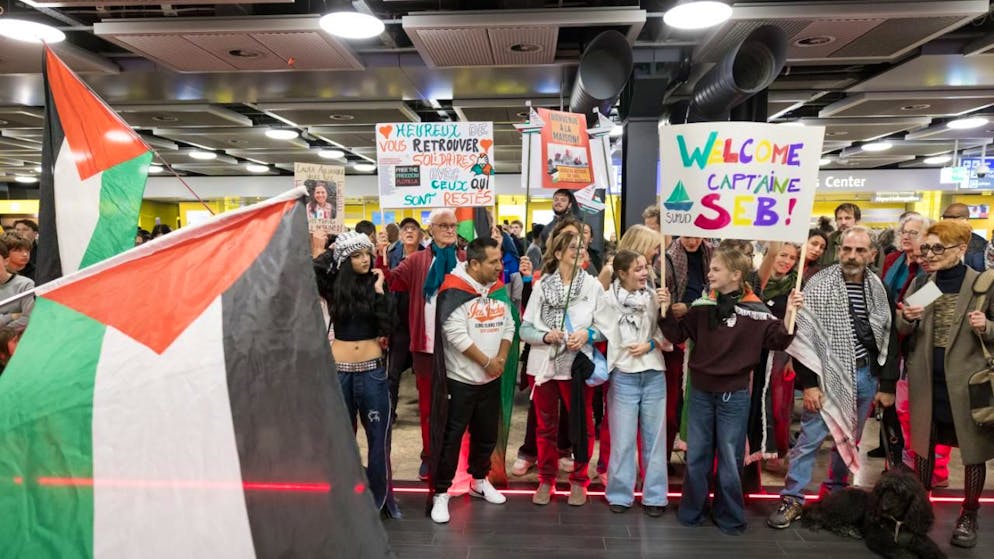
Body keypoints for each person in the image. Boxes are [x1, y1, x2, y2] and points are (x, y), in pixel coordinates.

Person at [660, 247, 802, 535]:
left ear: (736, 275)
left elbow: (779, 340)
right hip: (701, 392)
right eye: (710, 269)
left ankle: (730, 515)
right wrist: (663, 311)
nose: (709, 273)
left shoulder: (756, 312)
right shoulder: (701, 306)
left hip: (734, 395)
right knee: (698, 455)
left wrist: (790, 313)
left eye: (715, 269)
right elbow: (676, 335)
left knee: (729, 457)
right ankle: (692, 511)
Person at [769, 226, 898, 530]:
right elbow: (804, 339)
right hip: (825, 375)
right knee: (810, 439)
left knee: (848, 440)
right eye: (847, 249)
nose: (852, 256)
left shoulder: (879, 288)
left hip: (865, 374)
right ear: (839, 250)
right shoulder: (818, 284)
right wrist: (810, 383)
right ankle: (793, 498)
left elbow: (889, 337)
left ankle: (836, 497)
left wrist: (888, 384)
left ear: (871, 254)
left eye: (859, 250)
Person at [898, 220, 994, 548]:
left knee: (972, 452)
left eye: (938, 248)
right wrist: (906, 319)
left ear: (961, 249)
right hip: (927, 381)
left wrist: (988, 327)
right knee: (924, 446)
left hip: (967, 383)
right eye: (927, 248)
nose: (930, 255)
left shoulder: (982, 284)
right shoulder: (927, 283)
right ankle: (920, 511)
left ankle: (969, 514)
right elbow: (903, 323)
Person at [428, 237, 516, 524]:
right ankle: (441, 493)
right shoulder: (454, 289)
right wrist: (488, 362)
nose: (499, 267)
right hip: (460, 381)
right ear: (474, 263)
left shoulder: (498, 289)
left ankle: (480, 480)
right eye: (493, 262)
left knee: (487, 435)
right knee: (450, 439)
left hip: (490, 380)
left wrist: (500, 360)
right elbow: (454, 334)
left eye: (500, 261)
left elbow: (509, 324)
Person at [520, 230, 606, 506]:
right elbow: (525, 328)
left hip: (577, 366)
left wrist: (588, 335)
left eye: (581, 247)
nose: (579, 252)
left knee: (582, 425)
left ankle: (579, 480)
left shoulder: (593, 287)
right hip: (543, 366)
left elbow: (606, 327)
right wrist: (545, 336)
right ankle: (546, 478)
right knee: (545, 426)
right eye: (572, 248)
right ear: (557, 253)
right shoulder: (542, 286)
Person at [318, 231, 399, 518]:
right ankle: (343, 496)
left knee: (378, 439)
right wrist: (335, 244)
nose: (365, 259)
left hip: (373, 374)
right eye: (356, 255)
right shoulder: (332, 286)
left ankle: (380, 501)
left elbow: (387, 326)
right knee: (341, 438)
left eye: (367, 253)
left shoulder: (376, 284)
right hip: (340, 373)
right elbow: (313, 269)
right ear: (344, 260)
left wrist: (379, 291)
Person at [387, 208, 463, 480]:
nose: (449, 230)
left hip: (460, 348)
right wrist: (382, 257)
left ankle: (453, 458)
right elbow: (393, 280)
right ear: (431, 230)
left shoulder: (464, 260)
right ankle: (429, 456)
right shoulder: (418, 260)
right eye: (443, 225)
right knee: (429, 407)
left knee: (458, 408)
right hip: (426, 346)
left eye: (453, 226)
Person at [600, 250, 669, 517]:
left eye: (645, 268)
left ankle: (655, 496)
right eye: (638, 268)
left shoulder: (655, 297)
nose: (644, 273)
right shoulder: (607, 299)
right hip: (623, 374)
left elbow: (666, 331)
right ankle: (620, 493)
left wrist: (651, 343)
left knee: (655, 439)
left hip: (654, 372)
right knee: (623, 438)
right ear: (622, 273)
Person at [749, 242, 801, 466]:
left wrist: (791, 357)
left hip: (781, 353)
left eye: (792, 257)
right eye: (782, 255)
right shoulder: (753, 282)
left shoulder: (797, 286)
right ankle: (752, 449)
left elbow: (798, 325)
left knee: (778, 405)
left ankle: (776, 453)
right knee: (755, 400)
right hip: (752, 351)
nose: (786, 261)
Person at [385, 217, 425, 423]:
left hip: (421, 324)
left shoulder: (429, 256)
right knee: (393, 373)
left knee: (423, 373)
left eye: (413, 228)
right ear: (400, 235)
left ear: (420, 234)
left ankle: (426, 411)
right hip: (399, 323)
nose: (409, 231)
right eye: (405, 228)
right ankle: (389, 412)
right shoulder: (391, 255)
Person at [941, 203, 986, 271]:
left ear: (965, 220)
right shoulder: (937, 239)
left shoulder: (980, 244)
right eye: (944, 217)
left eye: (952, 217)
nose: (946, 221)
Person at [0, 242, 34, 330]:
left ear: (6, 261)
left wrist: (3, 330)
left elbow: (28, 319)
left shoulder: (26, 285)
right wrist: (11, 316)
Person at [817, 203, 861, 268]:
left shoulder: (868, 243)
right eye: (839, 218)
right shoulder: (827, 242)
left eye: (847, 218)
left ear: (857, 221)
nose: (843, 222)